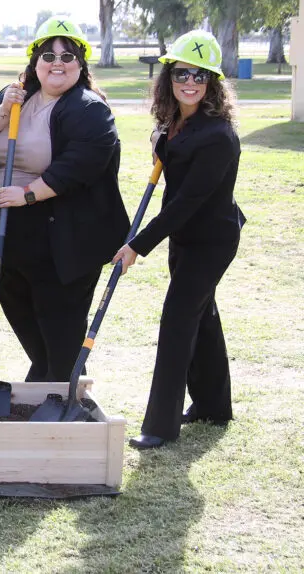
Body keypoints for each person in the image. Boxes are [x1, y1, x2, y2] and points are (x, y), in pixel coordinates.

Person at [0, 16, 130, 383]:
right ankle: (50, 383)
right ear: (34, 61)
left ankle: (68, 397)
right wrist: (0, 113)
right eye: (48, 55)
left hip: (60, 236)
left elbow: (81, 165)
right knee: (22, 315)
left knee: (59, 325)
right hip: (4, 232)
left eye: (68, 55)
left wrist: (28, 194)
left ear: (81, 63)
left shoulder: (90, 108)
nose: (57, 62)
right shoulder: (13, 95)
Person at [114, 30, 246, 449]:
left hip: (210, 241)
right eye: (181, 73)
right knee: (201, 318)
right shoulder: (177, 124)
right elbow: (172, 160)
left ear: (212, 84)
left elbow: (185, 202)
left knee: (177, 320)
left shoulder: (218, 137)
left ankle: (160, 426)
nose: (190, 82)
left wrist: (137, 245)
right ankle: (213, 406)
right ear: (169, 78)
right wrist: (161, 143)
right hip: (186, 239)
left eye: (200, 76)